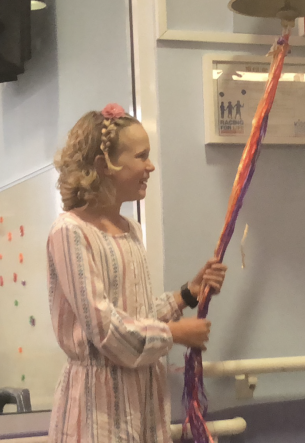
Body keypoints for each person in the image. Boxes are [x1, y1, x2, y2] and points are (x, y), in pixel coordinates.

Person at [47, 104, 228, 443]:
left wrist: (188, 293)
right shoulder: (70, 232)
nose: (151, 166)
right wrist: (173, 334)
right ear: (104, 166)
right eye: (141, 156)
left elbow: (135, 315)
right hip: (97, 413)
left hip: (142, 402)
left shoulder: (130, 229)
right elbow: (105, 329)